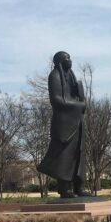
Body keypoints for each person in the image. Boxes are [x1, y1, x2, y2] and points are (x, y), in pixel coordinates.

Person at [36, 51, 87, 197]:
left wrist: (81, 98)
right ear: (59, 61)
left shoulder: (71, 76)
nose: (69, 61)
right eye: (66, 58)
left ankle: (79, 186)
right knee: (64, 155)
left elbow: (75, 96)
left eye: (70, 58)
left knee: (79, 153)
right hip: (64, 123)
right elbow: (57, 100)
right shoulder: (55, 76)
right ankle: (65, 188)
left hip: (77, 121)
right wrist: (79, 105)